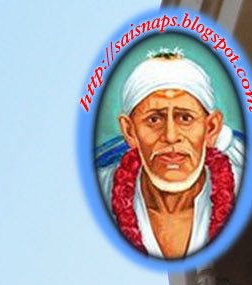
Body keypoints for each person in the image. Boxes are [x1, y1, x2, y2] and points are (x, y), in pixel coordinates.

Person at [98, 49, 243, 259]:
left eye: (185, 118)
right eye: (154, 120)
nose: (171, 136)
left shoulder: (244, 188)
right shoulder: (103, 192)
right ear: (130, 131)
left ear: (211, 128)